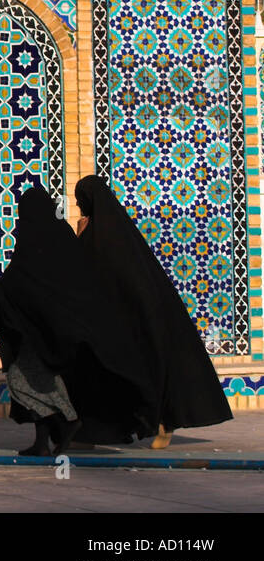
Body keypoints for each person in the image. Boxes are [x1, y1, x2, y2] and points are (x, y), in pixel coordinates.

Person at [0, 186, 160, 455]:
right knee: (42, 380)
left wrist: (1, 295)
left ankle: (67, 421)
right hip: (55, 332)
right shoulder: (62, 236)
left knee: (21, 380)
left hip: (39, 331)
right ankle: (42, 442)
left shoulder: (32, 238)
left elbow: (20, 281)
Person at [74, 175, 233, 448]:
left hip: (132, 323)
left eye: (80, 202)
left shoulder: (99, 237)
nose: (78, 207)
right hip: (132, 321)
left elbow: (84, 273)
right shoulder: (123, 235)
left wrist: (80, 237)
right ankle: (131, 425)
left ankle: (161, 422)